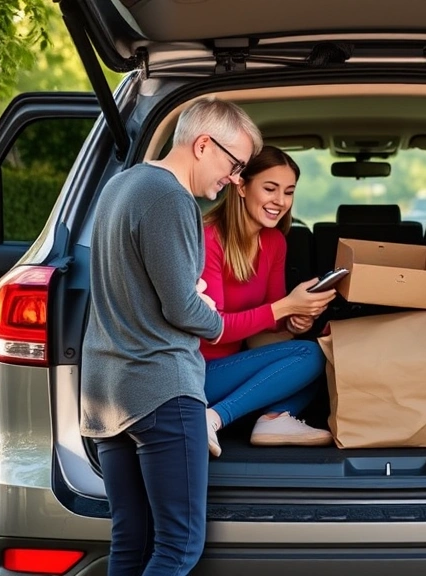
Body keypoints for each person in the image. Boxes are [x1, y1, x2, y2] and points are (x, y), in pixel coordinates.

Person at [80, 97, 262, 575]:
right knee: (179, 547)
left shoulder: (120, 185)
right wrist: (216, 319)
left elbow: (141, 285)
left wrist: (190, 292)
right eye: (235, 163)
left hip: (107, 394)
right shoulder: (171, 198)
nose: (235, 178)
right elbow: (181, 306)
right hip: (161, 388)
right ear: (204, 145)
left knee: (131, 543)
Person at [199, 146, 335, 457]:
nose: (281, 202)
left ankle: (273, 419)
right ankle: (214, 418)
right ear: (242, 186)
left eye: (288, 192)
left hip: (232, 366)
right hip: (197, 372)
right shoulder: (209, 239)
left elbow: (270, 317)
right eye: (270, 188)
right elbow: (213, 329)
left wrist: (296, 318)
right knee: (309, 355)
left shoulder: (273, 241)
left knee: (322, 357)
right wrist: (287, 306)